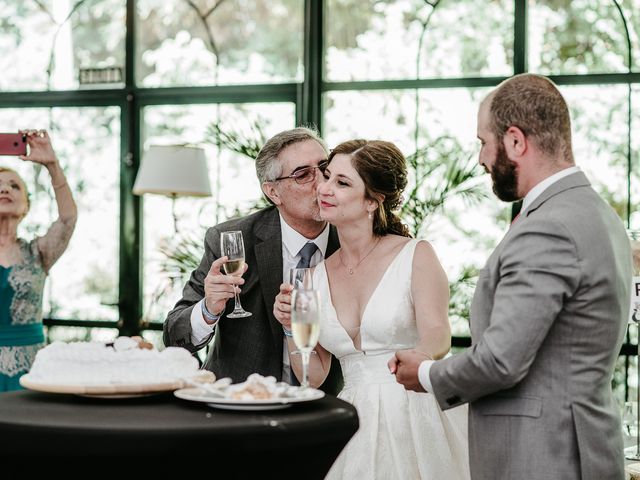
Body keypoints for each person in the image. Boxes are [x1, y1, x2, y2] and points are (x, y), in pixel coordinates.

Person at [390, 73, 633, 480]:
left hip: (542, 455)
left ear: (516, 141)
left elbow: (502, 361)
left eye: (484, 142)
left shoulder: (549, 226)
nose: (482, 159)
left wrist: (427, 374)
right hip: (582, 445)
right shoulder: (600, 214)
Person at [274, 139, 469, 479]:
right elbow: (313, 374)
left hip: (416, 410)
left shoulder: (415, 254)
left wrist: (412, 361)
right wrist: (291, 328)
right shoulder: (314, 276)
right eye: (327, 176)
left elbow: (438, 337)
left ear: (372, 201)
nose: (325, 188)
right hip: (351, 422)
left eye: (342, 182)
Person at [163, 127, 343, 391]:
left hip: (328, 403)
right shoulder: (232, 240)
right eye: (303, 174)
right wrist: (209, 308)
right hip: (240, 403)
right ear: (273, 192)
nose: (322, 183)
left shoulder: (352, 240)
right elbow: (174, 334)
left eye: (325, 168)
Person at [0, 130, 77, 392]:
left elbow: (67, 219)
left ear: (26, 206)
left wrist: (52, 165)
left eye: (14, 185)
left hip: (31, 370)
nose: (4, 189)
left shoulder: (39, 252)